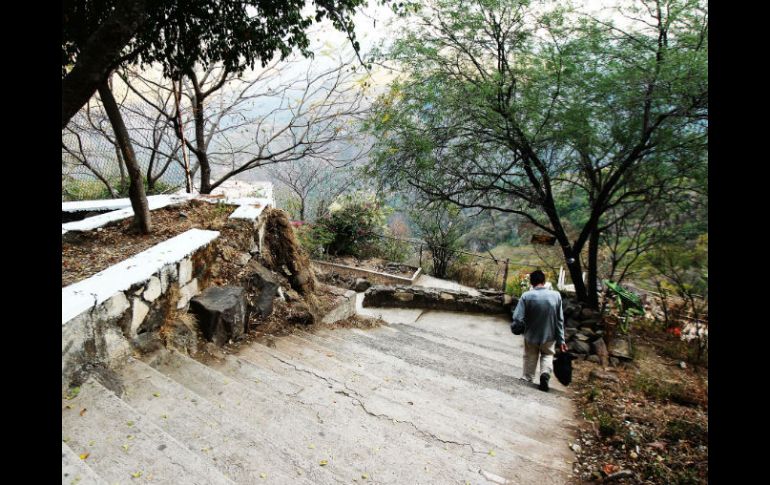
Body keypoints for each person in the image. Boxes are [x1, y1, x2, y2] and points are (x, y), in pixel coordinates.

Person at [511, 270, 568, 392]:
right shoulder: (556, 296)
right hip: (549, 335)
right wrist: (561, 340)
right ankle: (545, 374)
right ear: (544, 281)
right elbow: (560, 320)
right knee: (547, 355)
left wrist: (519, 325)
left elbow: (517, 317)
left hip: (531, 334)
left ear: (531, 283)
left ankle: (527, 377)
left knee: (530, 355)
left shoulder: (526, 296)